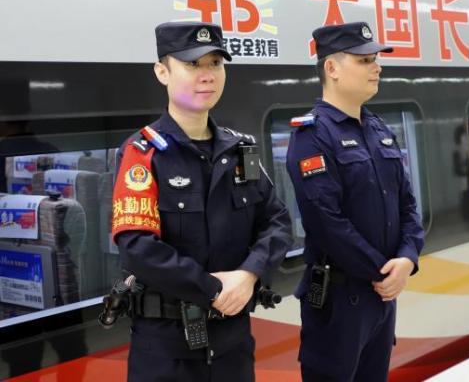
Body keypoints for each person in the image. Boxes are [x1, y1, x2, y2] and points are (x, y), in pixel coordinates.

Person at [111, 22, 292, 381]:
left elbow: (277, 222)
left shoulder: (241, 150)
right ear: (162, 72)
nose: (207, 74)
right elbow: (136, 246)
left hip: (234, 343)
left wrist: (249, 274)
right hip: (166, 351)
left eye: (215, 63)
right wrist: (213, 289)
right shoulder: (142, 153)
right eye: (193, 64)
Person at [285, 22, 425, 381]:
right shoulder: (312, 136)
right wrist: (384, 272)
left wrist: (408, 258)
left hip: (381, 297)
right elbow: (326, 222)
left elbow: (408, 205)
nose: (377, 67)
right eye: (364, 60)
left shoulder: (379, 130)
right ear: (332, 68)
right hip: (339, 301)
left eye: (375, 59)